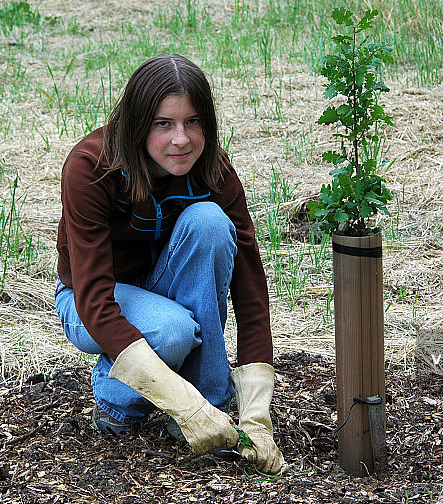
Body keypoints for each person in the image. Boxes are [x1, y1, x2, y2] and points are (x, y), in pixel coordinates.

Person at [54, 54, 287, 475]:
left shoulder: (213, 168)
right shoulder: (91, 167)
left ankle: (213, 402)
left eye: (193, 122)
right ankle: (117, 401)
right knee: (174, 331)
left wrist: (256, 414)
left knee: (210, 223)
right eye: (164, 124)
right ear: (138, 123)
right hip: (89, 301)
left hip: (162, 289)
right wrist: (185, 406)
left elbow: (250, 287)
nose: (181, 139)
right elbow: (92, 297)